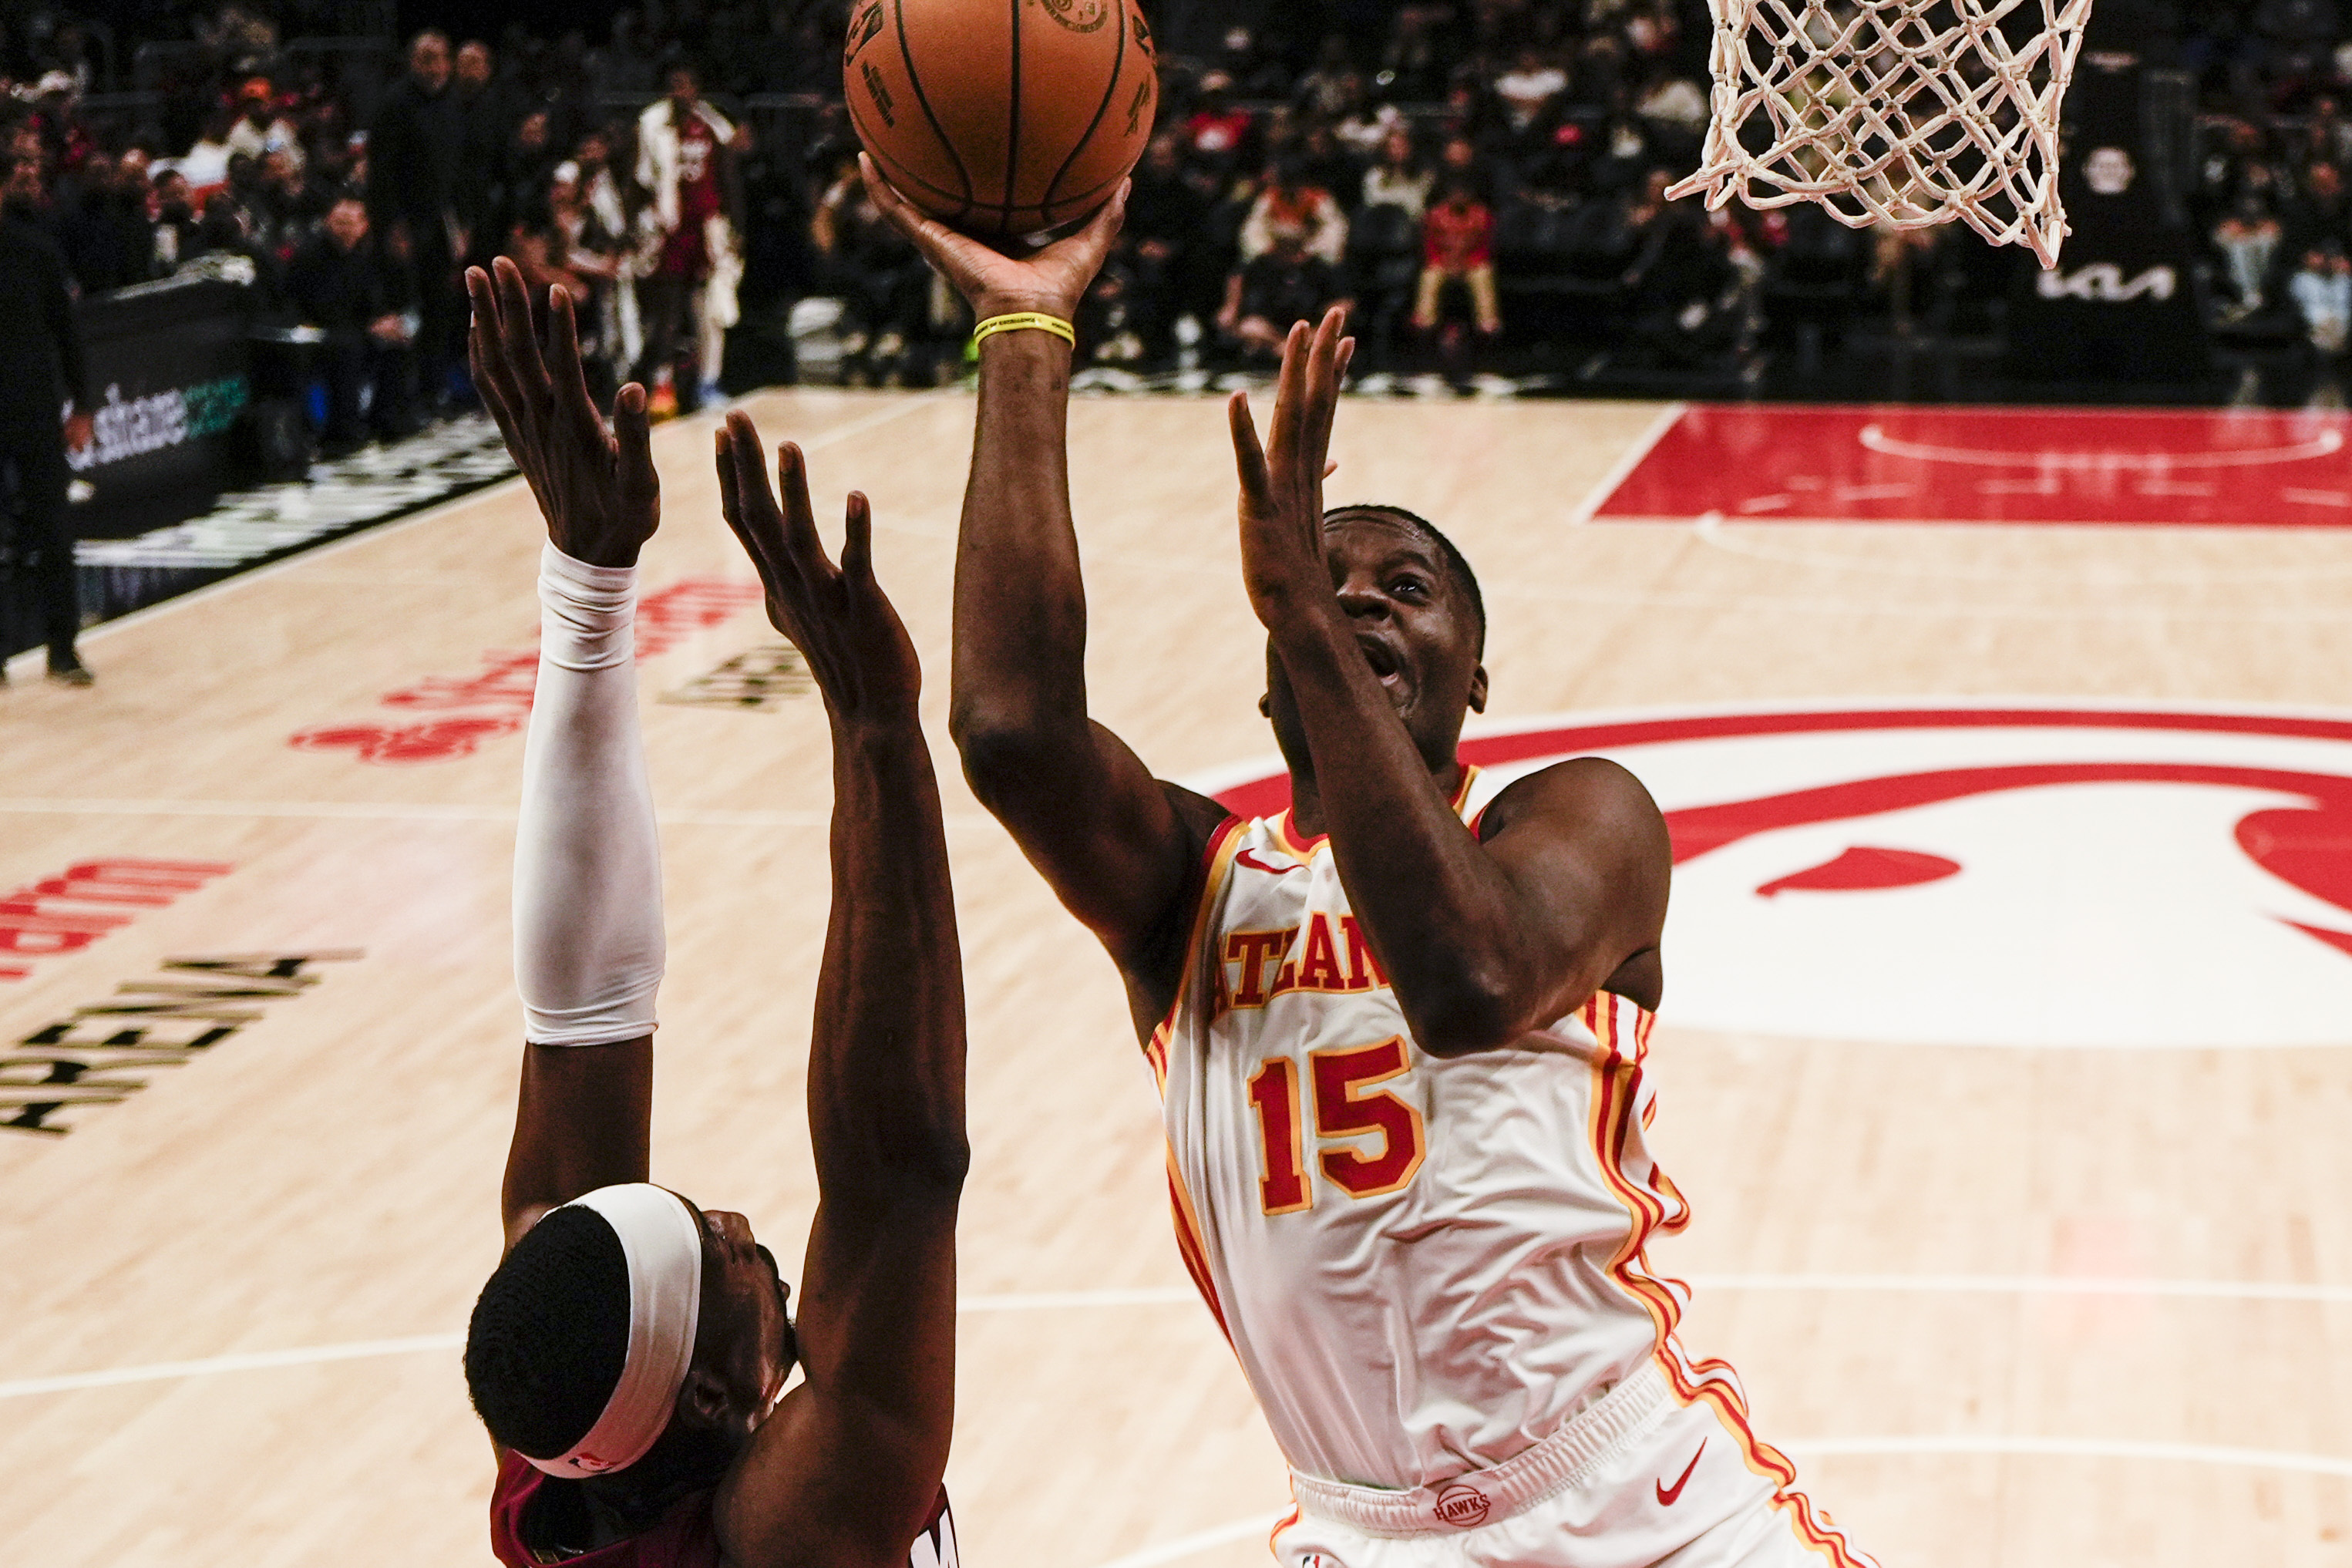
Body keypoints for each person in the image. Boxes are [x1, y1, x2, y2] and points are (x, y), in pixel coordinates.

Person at [861, 157, 1876, 1568]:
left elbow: (1470, 979)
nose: (1358, 605)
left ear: (1479, 673)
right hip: (1364, 1529)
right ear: (1270, 685)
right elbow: (1011, 725)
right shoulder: (1191, 888)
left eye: (1408, 589)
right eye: (1327, 589)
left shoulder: (1584, 821)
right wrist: (1027, 333)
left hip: (1642, 1496)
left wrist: (1299, 606)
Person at [460, 256, 965, 1568]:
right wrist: (873, 727)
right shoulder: (798, 1521)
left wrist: (588, 580)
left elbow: (581, 1014)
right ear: (716, 1393)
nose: (736, 1221)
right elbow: (900, 1161)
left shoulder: (573, 1435)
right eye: (716, 1249)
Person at [0, 158, 96, 686]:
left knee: (52, 531)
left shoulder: (35, 251)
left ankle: (63, 649)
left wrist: (82, 405)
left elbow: (69, 332)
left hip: (34, 408)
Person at [634, 65, 744, 414]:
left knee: (712, 310)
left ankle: (709, 381)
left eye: (687, 84)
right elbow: (639, 180)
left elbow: (729, 176)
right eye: (674, 85)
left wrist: (736, 227)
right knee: (667, 308)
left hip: (708, 228)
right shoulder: (651, 124)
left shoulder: (712, 124)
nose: (681, 91)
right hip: (670, 228)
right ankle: (663, 385)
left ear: (697, 89)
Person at [367, 32, 464, 411]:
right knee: (407, 309)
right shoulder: (394, 103)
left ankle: (433, 390)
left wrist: (461, 222)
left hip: (440, 222)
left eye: (439, 57)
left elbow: (458, 169)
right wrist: (393, 225)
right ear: (412, 62)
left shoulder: (452, 103)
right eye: (425, 57)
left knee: (441, 307)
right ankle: (399, 399)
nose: (433, 65)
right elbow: (383, 171)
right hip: (405, 224)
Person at [286, 197, 416, 454]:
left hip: (356, 328)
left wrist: (386, 321)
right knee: (347, 349)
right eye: (339, 222)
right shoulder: (310, 257)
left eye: (350, 223)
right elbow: (320, 308)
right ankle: (343, 431)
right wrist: (368, 327)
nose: (345, 229)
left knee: (398, 341)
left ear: (363, 226)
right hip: (320, 331)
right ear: (328, 223)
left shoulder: (368, 256)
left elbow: (376, 299)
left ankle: (388, 419)